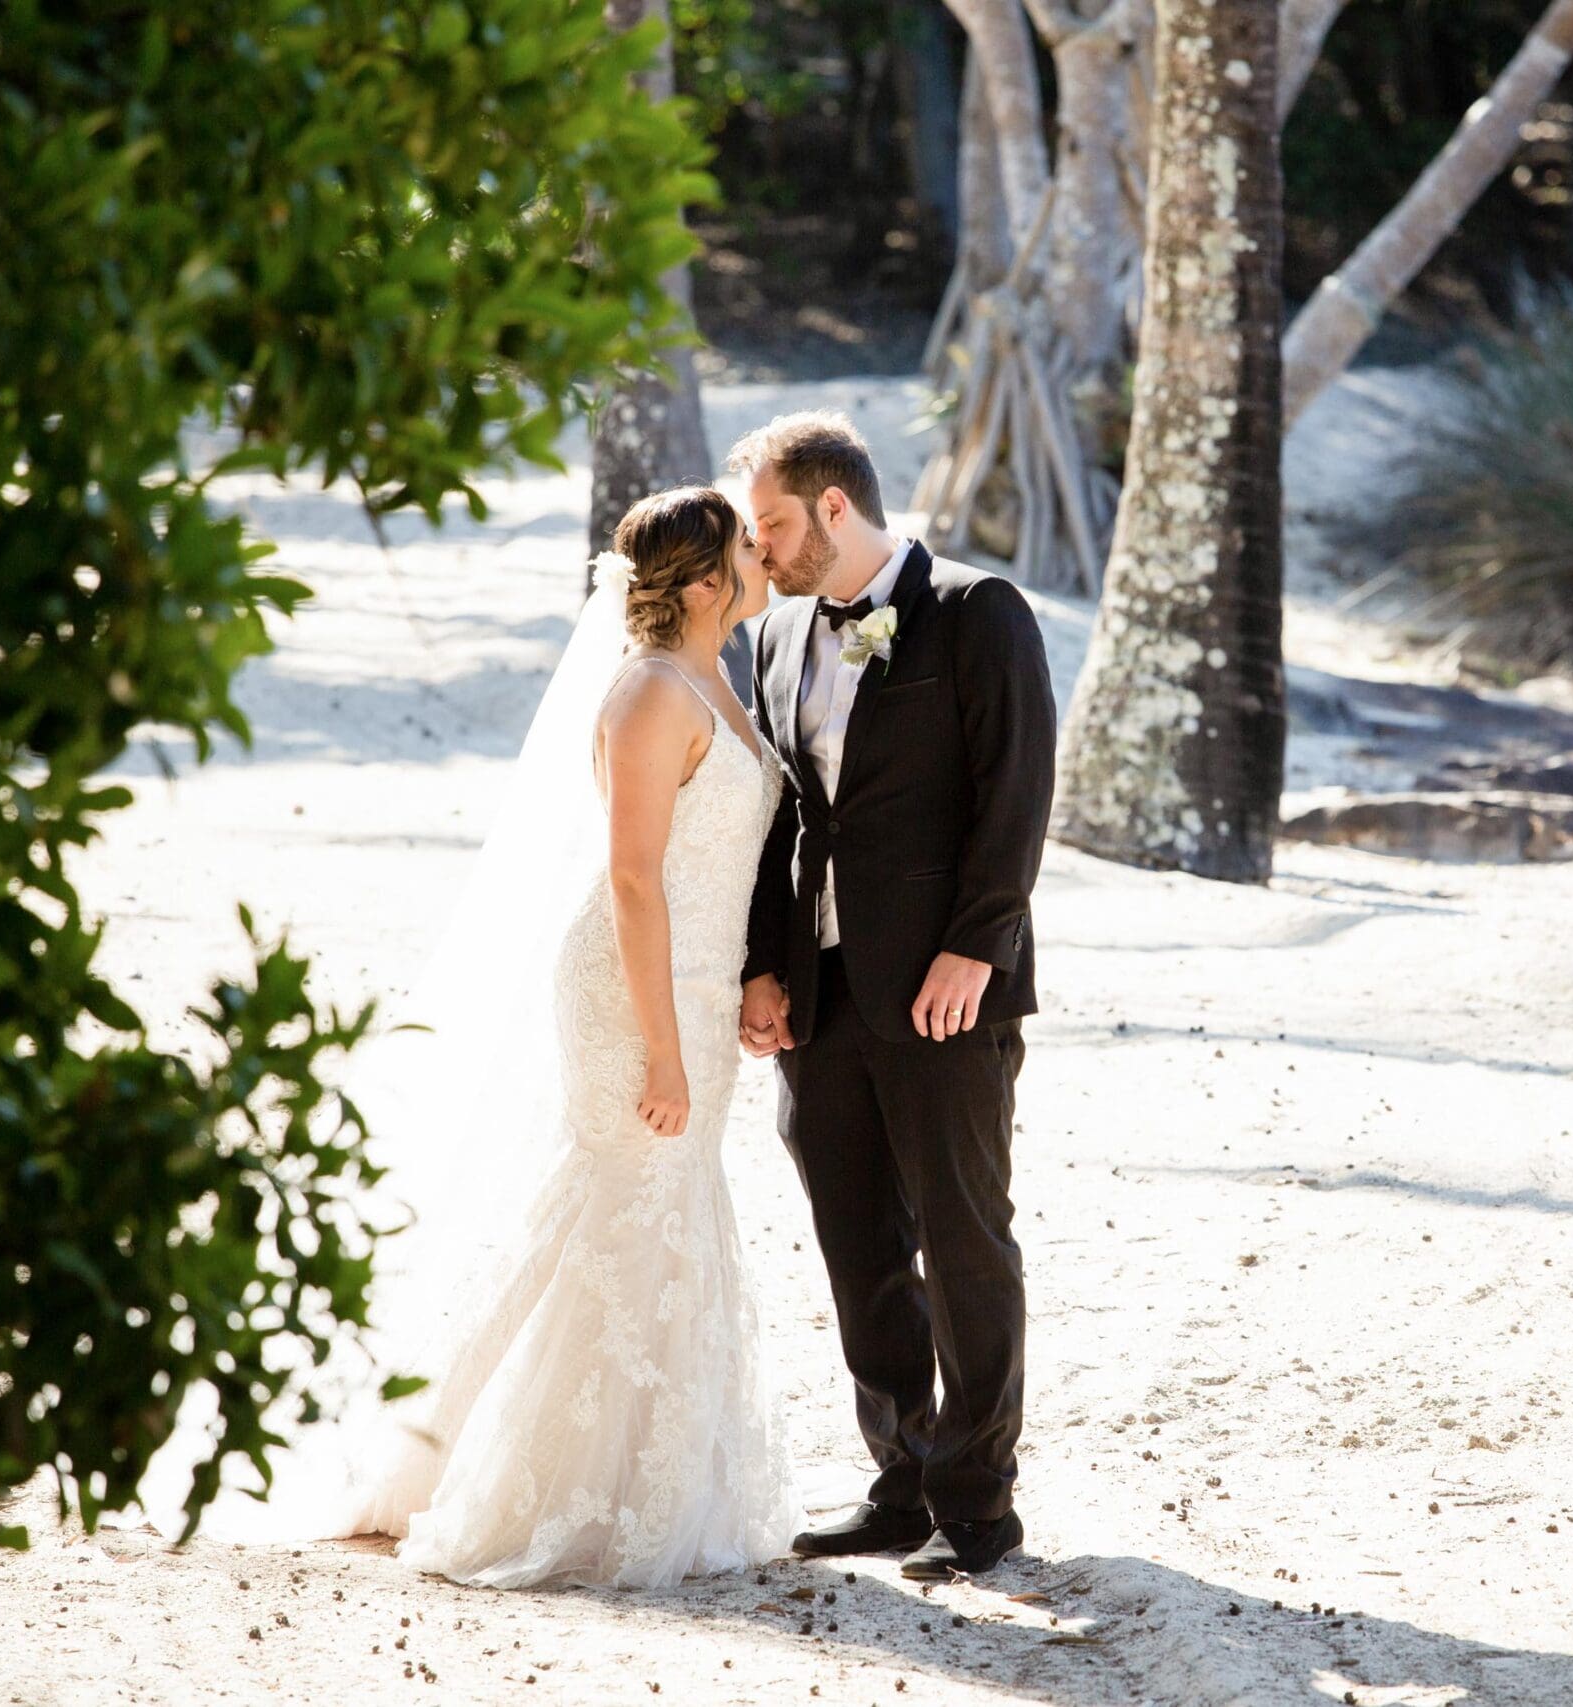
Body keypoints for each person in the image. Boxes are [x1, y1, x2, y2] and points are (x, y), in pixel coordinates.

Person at [324, 484, 797, 1589]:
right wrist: (667, 1048)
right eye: (743, 548)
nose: (761, 559)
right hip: (632, 991)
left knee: (659, 1210)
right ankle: (536, 1491)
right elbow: (633, 881)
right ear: (697, 582)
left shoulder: (717, 674)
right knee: (623, 1202)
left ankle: (642, 1480)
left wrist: (739, 985)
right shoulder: (646, 695)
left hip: (699, 986)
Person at [729, 411, 1058, 1580]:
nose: (755, 550)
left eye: (769, 524)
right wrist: (761, 968)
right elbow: (777, 823)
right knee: (857, 1244)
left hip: (945, 991)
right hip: (821, 998)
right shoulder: (770, 638)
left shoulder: (979, 612)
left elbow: (1016, 793)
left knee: (966, 1241)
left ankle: (979, 1505)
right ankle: (901, 1481)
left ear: (833, 507)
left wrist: (976, 947)